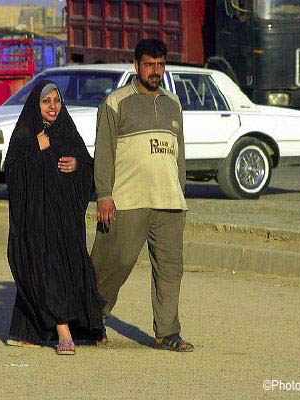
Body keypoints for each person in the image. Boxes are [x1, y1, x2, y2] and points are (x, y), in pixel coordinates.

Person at [90, 39, 194, 352]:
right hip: (127, 200)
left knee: (170, 267)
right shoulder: (116, 102)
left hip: (169, 203)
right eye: (149, 65)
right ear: (136, 65)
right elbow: (104, 153)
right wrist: (104, 196)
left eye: (160, 65)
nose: (155, 71)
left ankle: (167, 333)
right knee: (115, 262)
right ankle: (91, 317)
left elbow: (180, 156)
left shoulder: (173, 103)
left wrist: (180, 190)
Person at [4, 80, 105, 355]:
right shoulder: (26, 133)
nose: (52, 106)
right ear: (36, 105)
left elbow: (88, 165)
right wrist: (34, 149)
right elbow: (11, 172)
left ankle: (30, 330)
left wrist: (78, 165)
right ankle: (62, 332)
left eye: (56, 100)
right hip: (37, 220)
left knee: (68, 265)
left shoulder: (67, 132)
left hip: (66, 220)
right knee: (47, 266)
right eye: (46, 101)